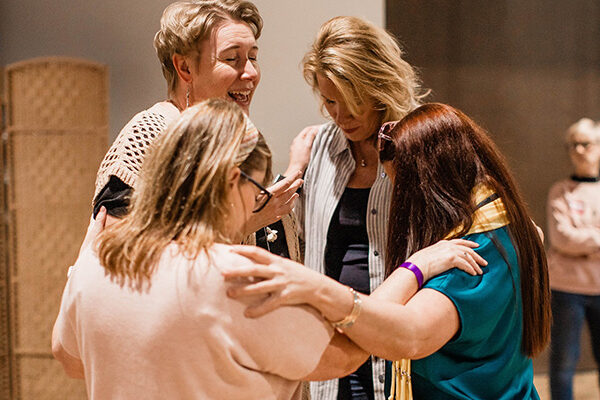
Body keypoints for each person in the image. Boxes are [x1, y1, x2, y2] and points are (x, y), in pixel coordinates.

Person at [225, 103, 552, 399]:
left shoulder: (465, 258)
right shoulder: (508, 221)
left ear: (431, 186)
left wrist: (317, 288)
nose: (399, 200)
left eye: (401, 188)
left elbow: (406, 336)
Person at [51, 99, 333, 400]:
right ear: (233, 180)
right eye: (259, 190)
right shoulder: (233, 276)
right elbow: (332, 359)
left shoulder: (95, 265)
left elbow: (66, 356)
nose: (257, 203)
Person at [92, 0, 313, 262]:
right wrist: (244, 223)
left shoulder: (239, 138)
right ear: (185, 68)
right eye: (233, 59)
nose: (251, 73)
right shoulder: (147, 139)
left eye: (253, 57)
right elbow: (118, 261)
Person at [293, 15, 427, 399]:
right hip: (330, 355)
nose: (340, 116)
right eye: (329, 101)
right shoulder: (319, 147)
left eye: (353, 102)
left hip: (401, 356)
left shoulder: (421, 147)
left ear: (380, 85)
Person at [547, 118, 600, 400]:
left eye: (586, 144)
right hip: (567, 289)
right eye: (574, 144)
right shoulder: (560, 191)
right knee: (564, 363)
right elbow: (561, 239)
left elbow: (573, 239)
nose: (579, 150)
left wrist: (583, 240)